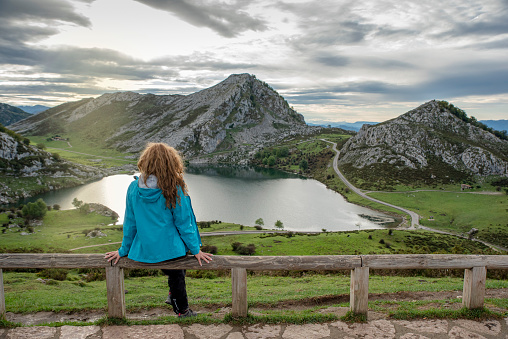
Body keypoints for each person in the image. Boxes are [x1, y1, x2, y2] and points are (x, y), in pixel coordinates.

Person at [105, 142, 213, 318]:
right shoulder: (173, 188)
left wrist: (123, 250)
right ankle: (182, 311)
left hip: (146, 250)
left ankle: (174, 297)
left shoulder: (133, 188)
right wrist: (196, 250)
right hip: (171, 249)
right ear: (171, 163)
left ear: (145, 162)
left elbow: (130, 223)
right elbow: (184, 223)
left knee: (175, 273)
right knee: (177, 272)